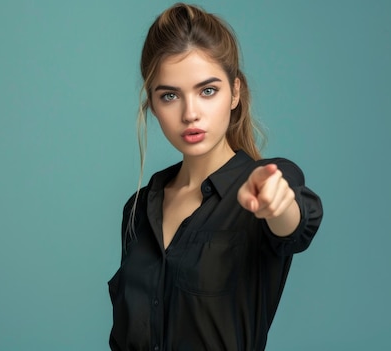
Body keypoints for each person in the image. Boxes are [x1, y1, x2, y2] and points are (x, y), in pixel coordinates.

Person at [108, 3, 323, 350]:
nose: (190, 113)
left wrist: (278, 204)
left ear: (235, 92)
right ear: (152, 104)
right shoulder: (138, 209)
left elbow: (294, 223)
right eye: (170, 96)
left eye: (207, 90)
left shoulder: (265, 183)